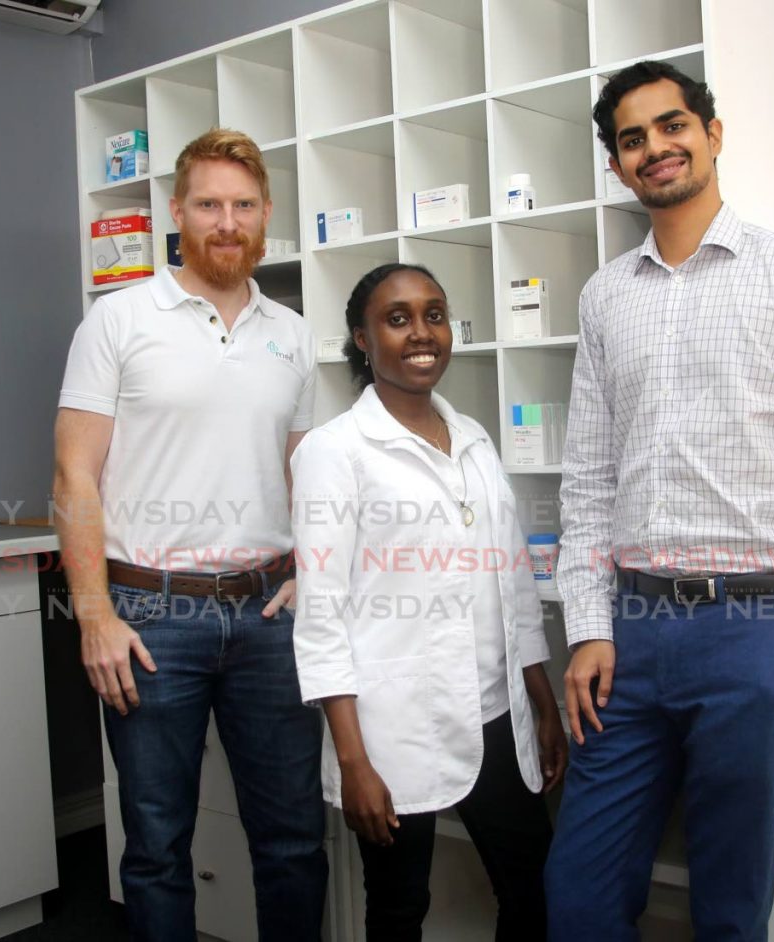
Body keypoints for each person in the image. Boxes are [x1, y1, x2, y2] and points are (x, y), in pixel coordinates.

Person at [546, 60, 774, 939]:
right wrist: (588, 624)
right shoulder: (604, 298)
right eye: (633, 139)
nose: (656, 148)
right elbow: (587, 477)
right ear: (617, 164)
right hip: (627, 636)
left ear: (711, 134)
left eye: (672, 126)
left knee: (730, 907)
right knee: (579, 897)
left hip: (752, 632)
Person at [53, 128, 326, 942]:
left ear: (266, 215)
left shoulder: (294, 333)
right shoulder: (118, 320)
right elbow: (74, 478)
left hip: (271, 620)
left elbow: (306, 474)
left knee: (293, 840)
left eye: (243, 205)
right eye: (208, 204)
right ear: (177, 212)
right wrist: (95, 615)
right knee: (157, 845)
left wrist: (312, 574)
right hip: (148, 619)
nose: (227, 221)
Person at [291, 263, 567, 941]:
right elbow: (320, 614)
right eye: (397, 318)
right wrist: (353, 761)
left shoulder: (473, 440)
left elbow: (510, 582)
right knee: (397, 905)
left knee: (534, 885)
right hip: (392, 725)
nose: (422, 333)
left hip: (495, 712)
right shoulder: (335, 452)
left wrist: (540, 696)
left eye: (434, 315)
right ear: (362, 337)